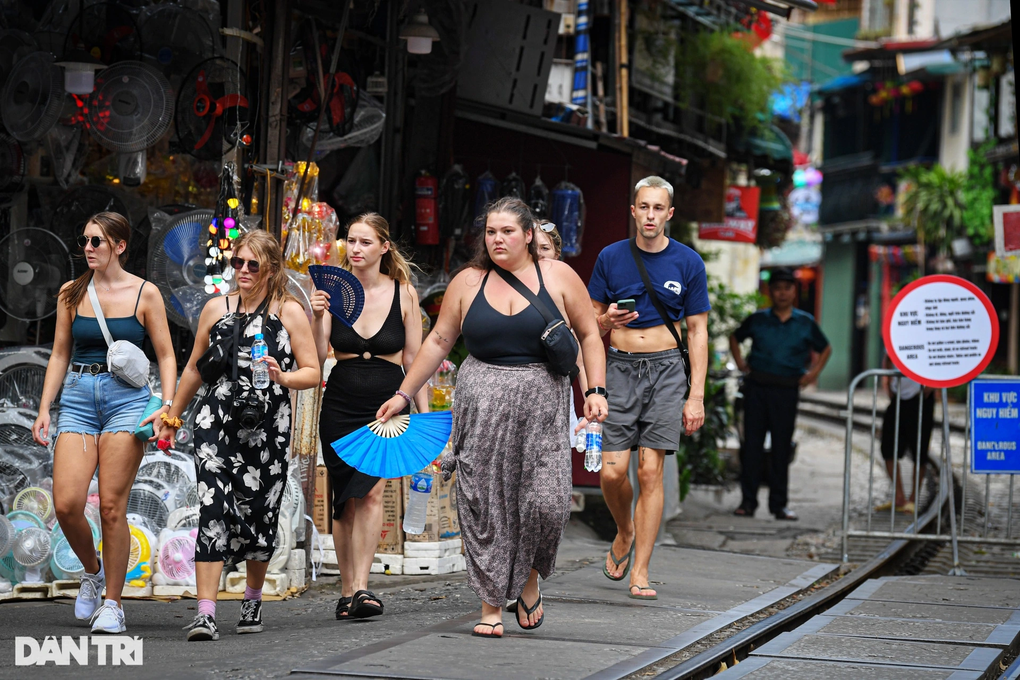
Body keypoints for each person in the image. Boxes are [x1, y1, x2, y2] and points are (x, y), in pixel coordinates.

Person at [376, 197, 607, 638]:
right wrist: (404, 394)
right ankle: (489, 607)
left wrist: (594, 391)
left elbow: (590, 334)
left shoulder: (556, 276)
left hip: (542, 407)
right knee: (485, 505)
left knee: (547, 503)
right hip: (480, 405)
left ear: (528, 235)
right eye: (491, 232)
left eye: (507, 232)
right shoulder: (467, 281)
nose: (498, 239)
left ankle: (530, 578)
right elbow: (439, 341)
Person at [158, 230, 320, 641]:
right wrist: (173, 416)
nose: (243, 271)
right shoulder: (216, 308)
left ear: (271, 269)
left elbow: (313, 371)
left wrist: (284, 376)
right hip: (215, 421)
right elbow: (195, 366)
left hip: (268, 428)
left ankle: (251, 598)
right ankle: (206, 613)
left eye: (253, 265)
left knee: (258, 516)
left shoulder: (289, 311)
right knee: (213, 511)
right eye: (238, 263)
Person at [32, 211, 177, 634]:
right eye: (85, 241)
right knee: (67, 504)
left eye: (97, 241)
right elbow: (59, 353)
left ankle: (113, 602)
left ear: (120, 245)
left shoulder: (144, 294)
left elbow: (166, 355)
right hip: (78, 397)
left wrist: (166, 406)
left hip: (126, 402)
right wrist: (45, 407)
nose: (89, 248)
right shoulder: (71, 293)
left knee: (112, 507)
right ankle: (92, 571)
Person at [588, 176, 710, 601]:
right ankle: (625, 531)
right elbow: (591, 322)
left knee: (649, 470)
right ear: (634, 211)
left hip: (666, 371)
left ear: (669, 213)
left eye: (659, 208)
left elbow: (698, 332)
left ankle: (640, 570)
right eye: (644, 207)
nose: (651, 215)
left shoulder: (688, 262)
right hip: (619, 368)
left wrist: (695, 396)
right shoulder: (610, 257)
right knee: (612, 471)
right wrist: (607, 323)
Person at [311, 213, 427, 620]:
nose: (355, 249)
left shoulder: (404, 294)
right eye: (350, 241)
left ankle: (362, 586)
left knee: (372, 492)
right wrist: (318, 314)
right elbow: (320, 350)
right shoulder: (332, 291)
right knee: (344, 500)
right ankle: (346, 591)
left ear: (384, 247)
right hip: (340, 400)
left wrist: (424, 419)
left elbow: (416, 359)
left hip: (387, 403)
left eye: (364, 242)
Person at [729, 267, 831, 520]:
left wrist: (813, 373)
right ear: (770, 292)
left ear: (794, 292)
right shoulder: (758, 319)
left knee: (781, 448)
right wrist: (741, 363)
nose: (782, 293)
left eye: (787, 288)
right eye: (777, 288)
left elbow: (825, 348)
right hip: (757, 388)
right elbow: (735, 337)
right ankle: (748, 502)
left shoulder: (805, 322)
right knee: (751, 446)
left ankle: (779, 505)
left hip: (786, 390)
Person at [877, 370, 934, 513]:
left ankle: (913, 500)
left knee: (919, 451)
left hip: (921, 397)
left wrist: (933, 384)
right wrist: (888, 381)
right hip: (898, 397)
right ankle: (900, 497)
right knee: (887, 449)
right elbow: (888, 358)